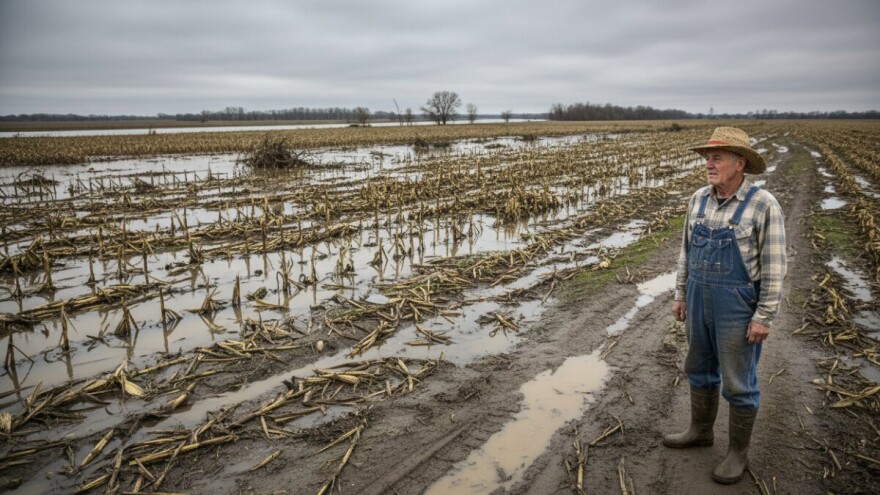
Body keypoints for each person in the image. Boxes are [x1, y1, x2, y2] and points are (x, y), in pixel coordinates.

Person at [665, 127, 786, 484]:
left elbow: (776, 267)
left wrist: (763, 316)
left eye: (717, 157)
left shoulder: (763, 204)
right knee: (698, 367)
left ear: (740, 162)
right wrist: (680, 293)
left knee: (738, 381)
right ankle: (700, 431)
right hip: (699, 298)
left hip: (737, 305)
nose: (709, 163)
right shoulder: (698, 199)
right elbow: (685, 253)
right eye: (707, 156)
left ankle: (737, 454)